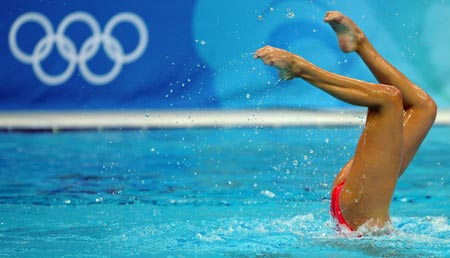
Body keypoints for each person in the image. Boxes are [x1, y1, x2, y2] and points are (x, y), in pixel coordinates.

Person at [254, 11, 437, 233]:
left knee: (387, 100)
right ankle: (358, 43)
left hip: (359, 212)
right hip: (360, 209)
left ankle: (302, 68)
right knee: (423, 108)